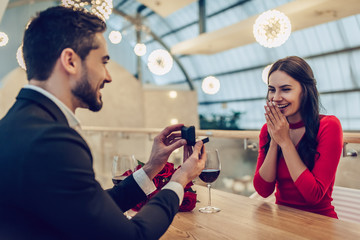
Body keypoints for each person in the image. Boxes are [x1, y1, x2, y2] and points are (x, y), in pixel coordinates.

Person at [0, 6, 206, 239]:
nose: (108, 76)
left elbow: (89, 209)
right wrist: (181, 178)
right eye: (103, 61)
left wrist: (151, 168)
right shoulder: (51, 139)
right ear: (70, 61)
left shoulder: (19, 124)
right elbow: (132, 236)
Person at [253, 56, 343, 218]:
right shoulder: (268, 130)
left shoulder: (329, 126)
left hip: (320, 222)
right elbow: (263, 190)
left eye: (286, 89)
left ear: (305, 91)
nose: (276, 97)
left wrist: (285, 141)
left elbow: (314, 195)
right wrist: (275, 140)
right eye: (272, 89)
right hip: (282, 221)